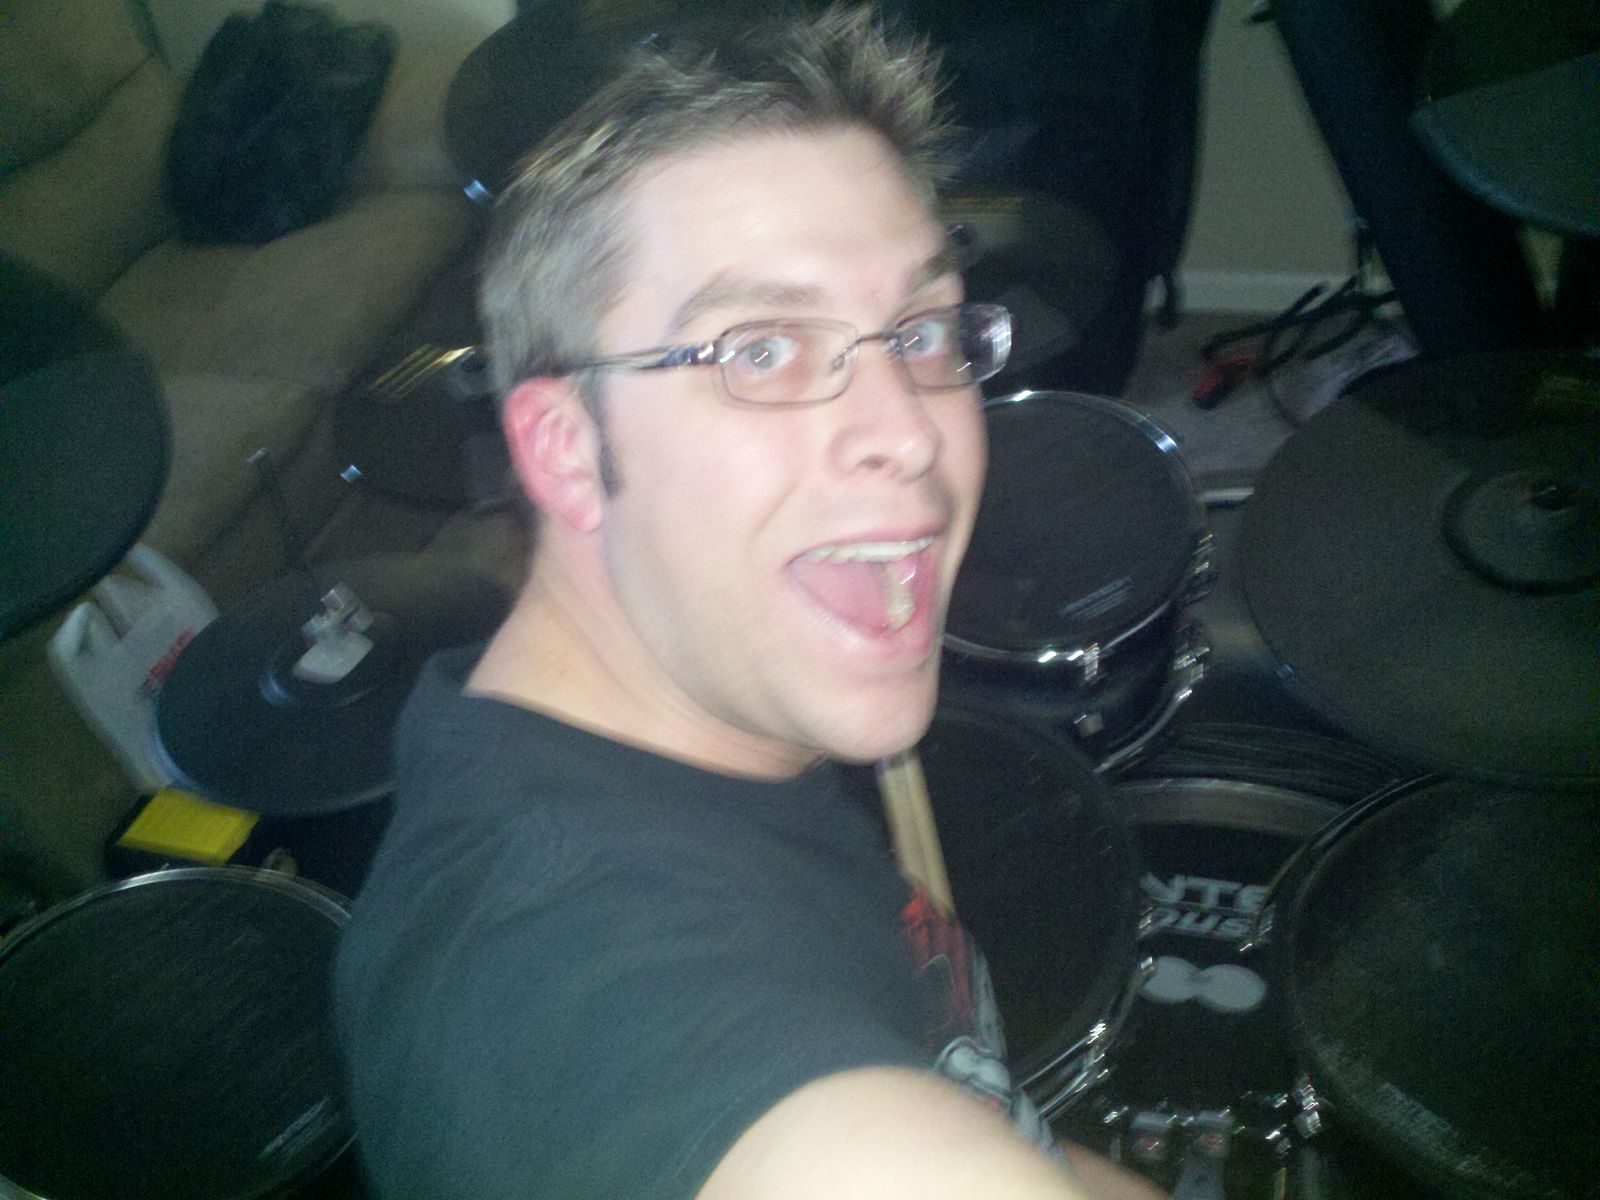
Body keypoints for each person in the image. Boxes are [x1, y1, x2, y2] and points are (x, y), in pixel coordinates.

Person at [334, 7, 1164, 1198]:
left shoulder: (660, 703)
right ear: (567, 450)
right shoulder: (576, 994)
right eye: (760, 350)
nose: (908, 432)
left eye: (920, 331)